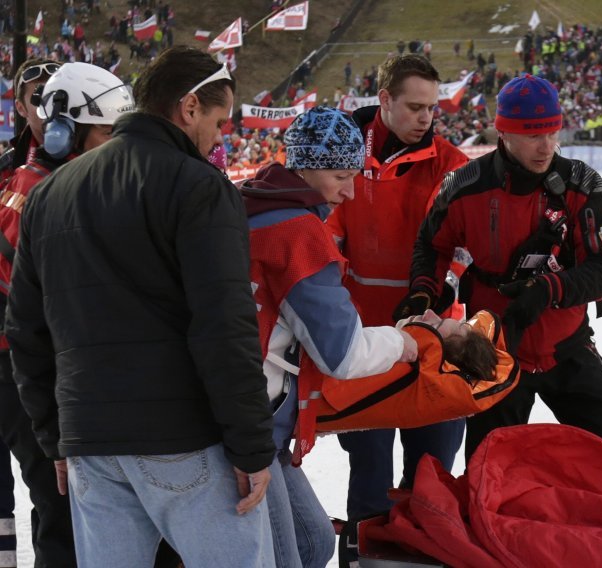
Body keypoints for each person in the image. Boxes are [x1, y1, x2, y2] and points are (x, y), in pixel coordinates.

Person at [4, 46, 277, 567]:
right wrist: (250, 445)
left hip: (90, 441)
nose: (220, 136)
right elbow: (225, 326)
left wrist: (56, 437)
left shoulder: (48, 194)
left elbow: (26, 332)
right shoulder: (198, 185)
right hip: (180, 438)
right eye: (219, 120)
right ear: (189, 107)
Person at [404, 74, 602, 461]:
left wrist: (548, 289)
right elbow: (431, 245)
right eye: (532, 136)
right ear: (504, 132)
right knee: (487, 472)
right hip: (493, 350)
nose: (546, 147)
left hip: (566, 345)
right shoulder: (462, 188)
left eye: (552, 133)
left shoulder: (583, 184)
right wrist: (424, 290)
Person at [239, 106, 417, 568]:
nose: (350, 189)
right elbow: (342, 352)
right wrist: (407, 342)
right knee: (286, 556)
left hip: (257, 423)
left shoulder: (252, 204)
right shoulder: (297, 232)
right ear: (306, 166)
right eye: (340, 174)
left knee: (315, 541)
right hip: (247, 426)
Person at [324, 54, 469, 566]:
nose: (426, 117)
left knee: (431, 475)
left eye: (431, 107)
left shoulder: (452, 164)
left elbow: (465, 247)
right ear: (384, 100)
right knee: (368, 473)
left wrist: (443, 291)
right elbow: (325, 237)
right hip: (365, 346)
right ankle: (363, 557)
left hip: (435, 342)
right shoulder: (342, 153)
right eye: (414, 107)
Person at [0, 58, 62, 568]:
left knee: (55, 502)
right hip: (19, 360)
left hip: (40, 364)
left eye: (59, 93)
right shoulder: (13, 172)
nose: (49, 107)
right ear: (20, 107)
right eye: (37, 97)